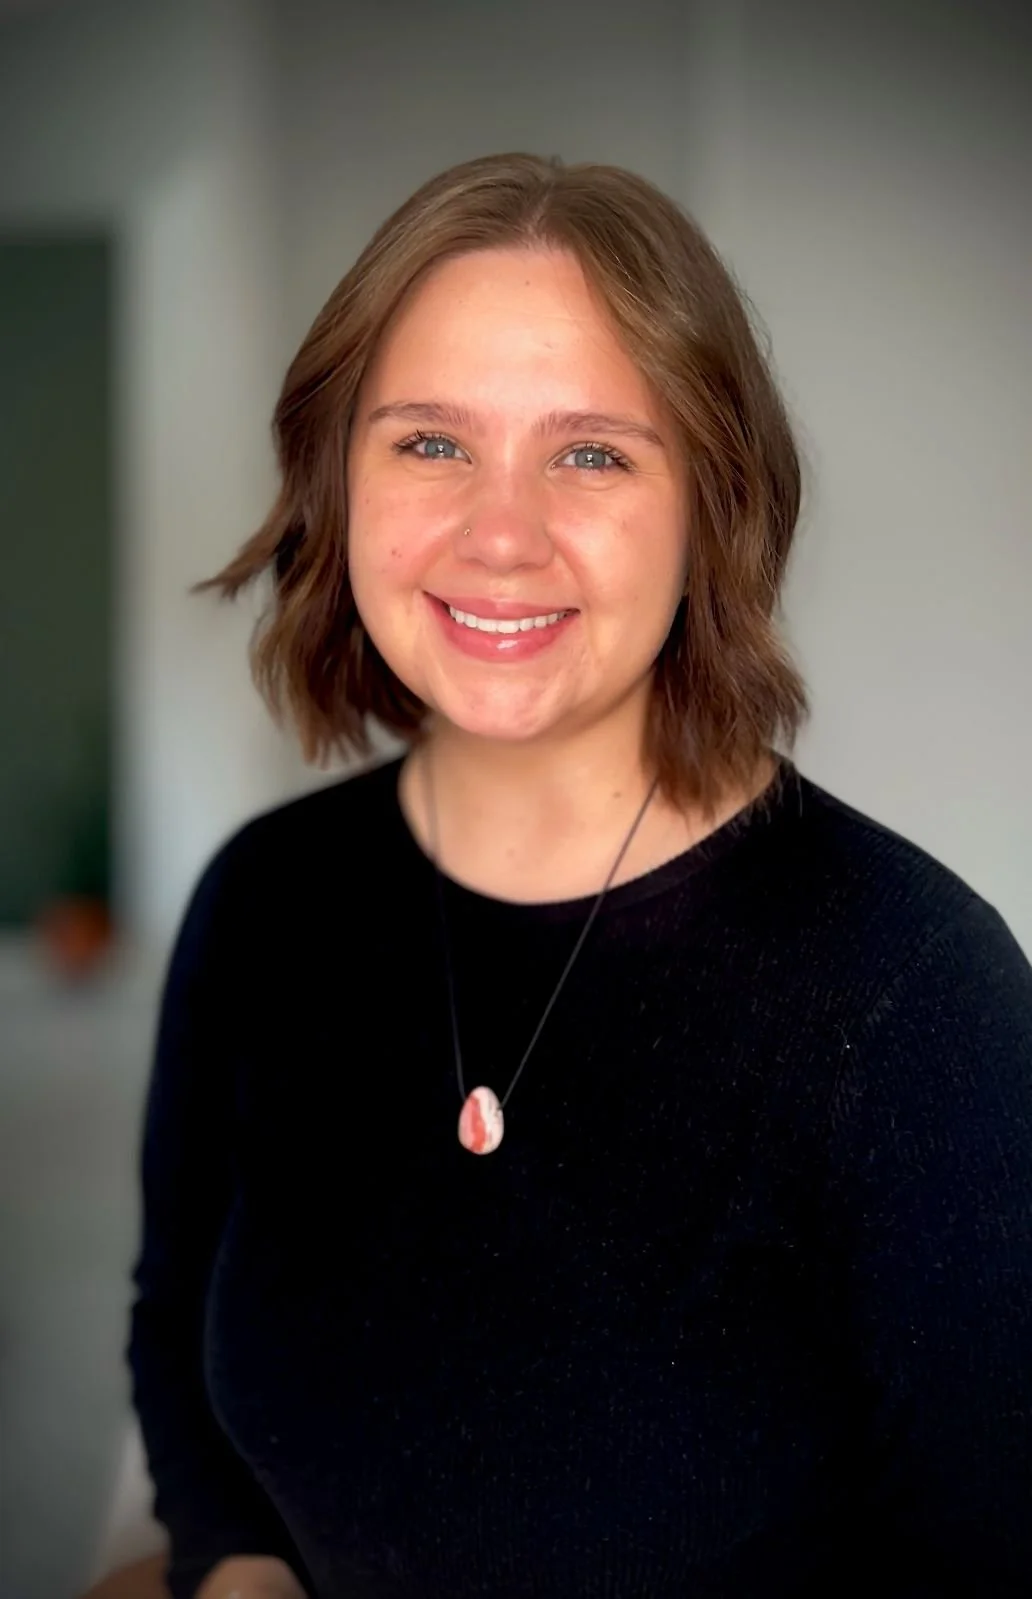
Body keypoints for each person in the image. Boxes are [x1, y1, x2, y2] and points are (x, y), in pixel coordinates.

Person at [127, 152, 1032, 1599]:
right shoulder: (264, 902)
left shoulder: (913, 997)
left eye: (594, 451)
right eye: (430, 441)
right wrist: (233, 1562)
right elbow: (175, 1315)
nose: (501, 534)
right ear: (334, 474)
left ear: (712, 505)